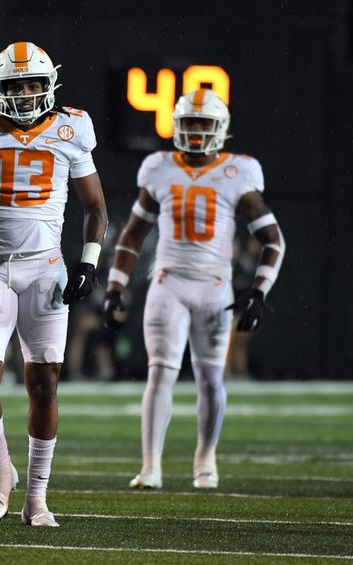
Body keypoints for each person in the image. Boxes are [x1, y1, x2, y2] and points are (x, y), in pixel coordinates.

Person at [0, 42, 108, 526]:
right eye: (15, 85)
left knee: (44, 383)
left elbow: (96, 208)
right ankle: (0, 471)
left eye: (33, 84)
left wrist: (88, 263)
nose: (25, 94)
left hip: (46, 268)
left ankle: (37, 497)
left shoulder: (72, 128)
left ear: (49, 86)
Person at [103, 89, 285, 489]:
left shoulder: (239, 172)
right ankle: (151, 465)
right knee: (159, 374)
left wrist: (258, 292)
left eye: (204, 124)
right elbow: (132, 236)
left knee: (210, 380)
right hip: (168, 283)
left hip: (214, 288)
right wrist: (115, 286)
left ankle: (206, 458)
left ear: (221, 129)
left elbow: (274, 240)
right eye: (189, 124)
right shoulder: (158, 168)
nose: (197, 132)